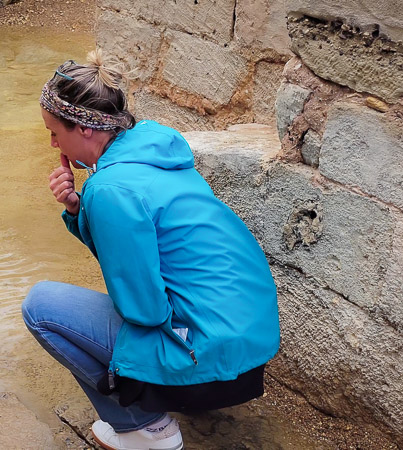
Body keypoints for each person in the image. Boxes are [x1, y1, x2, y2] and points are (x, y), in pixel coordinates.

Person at [22, 50, 281, 450]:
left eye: (55, 131)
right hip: (248, 347)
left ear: (86, 129)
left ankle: (146, 429)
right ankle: (177, 397)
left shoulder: (109, 189)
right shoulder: (150, 148)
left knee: (41, 306)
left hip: (209, 358)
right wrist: (78, 209)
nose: (52, 142)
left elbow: (144, 309)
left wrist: (92, 202)